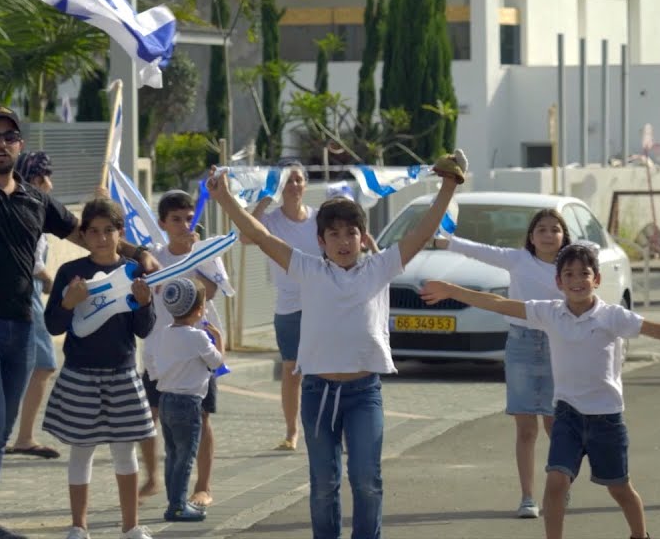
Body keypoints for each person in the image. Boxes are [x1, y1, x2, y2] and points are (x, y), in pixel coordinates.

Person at [0, 25, 157, 539]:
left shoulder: (35, 200)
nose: (1, 143)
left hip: (20, 326)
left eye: (9, 136)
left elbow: (90, 235)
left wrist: (138, 253)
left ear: (20, 144)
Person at [207, 152, 465, 539]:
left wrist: (447, 186)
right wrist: (224, 197)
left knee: (366, 479)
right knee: (325, 483)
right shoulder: (307, 268)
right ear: (321, 240)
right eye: (334, 234)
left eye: (351, 233)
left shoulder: (380, 267)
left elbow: (422, 232)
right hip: (318, 392)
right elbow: (260, 236)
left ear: (363, 238)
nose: (343, 241)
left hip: (364, 394)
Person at [418, 243, 660, 539]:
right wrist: (450, 290)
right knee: (556, 483)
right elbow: (500, 303)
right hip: (567, 415)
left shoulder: (612, 316)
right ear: (558, 282)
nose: (576, 280)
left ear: (596, 279)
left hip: (607, 420)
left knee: (620, 489)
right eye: (568, 274)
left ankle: (639, 535)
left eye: (584, 274)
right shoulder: (550, 312)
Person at [434, 208, 571, 518]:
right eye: (542, 229)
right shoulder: (517, 259)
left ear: (563, 235)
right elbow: (478, 250)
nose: (548, 235)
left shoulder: (570, 264)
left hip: (558, 346)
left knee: (555, 425)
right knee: (526, 428)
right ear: (531, 236)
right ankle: (527, 498)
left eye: (555, 229)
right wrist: (445, 242)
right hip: (521, 345)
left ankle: (560, 487)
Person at [42, 197, 157, 539]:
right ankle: (79, 525)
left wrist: (145, 303)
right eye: (94, 231)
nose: (102, 238)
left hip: (122, 371)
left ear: (121, 233)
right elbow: (53, 326)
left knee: (125, 451)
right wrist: (67, 302)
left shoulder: (133, 271)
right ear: (84, 234)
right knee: (81, 450)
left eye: (109, 230)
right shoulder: (70, 272)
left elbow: (143, 330)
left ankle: (131, 526)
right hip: (80, 373)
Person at [139, 191, 231, 507]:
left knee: (202, 418)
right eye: (176, 219)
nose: (184, 224)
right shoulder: (153, 258)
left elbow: (215, 291)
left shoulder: (206, 254)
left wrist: (197, 256)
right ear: (163, 223)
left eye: (189, 218)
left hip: (196, 350)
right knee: (148, 416)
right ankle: (151, 478)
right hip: (158, 350)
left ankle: (203, 486)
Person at [247, 161, 317, 452]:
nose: (295, 186)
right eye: (288, 181)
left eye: (299, 180)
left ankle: (323, 428)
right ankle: (292, 432)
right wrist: (265, 197)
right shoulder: (272, 221)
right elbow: (245, 236)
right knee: (292, 371)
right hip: (288, 307)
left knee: (324, 369)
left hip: (321, 304)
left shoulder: (318, 218)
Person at [150, 277, 226, 523]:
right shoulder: (198, 338)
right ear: (199, 310)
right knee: (186, 456)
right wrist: (219, 341)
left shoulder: (164, 333)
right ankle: (179, 506)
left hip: (166, 401)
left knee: (172, 454)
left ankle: (174, 500)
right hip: (189, 403)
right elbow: (217, 363)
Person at [6, 152, 61, 460]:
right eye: (44, 178)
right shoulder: (29, 208)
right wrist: (52, 280)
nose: (49, 185)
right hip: (28, 292)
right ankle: (23, 436)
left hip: (24, 291)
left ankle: (17, 433)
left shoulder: (19, 204)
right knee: (43, 364)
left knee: (28, 366)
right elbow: (31, 261)